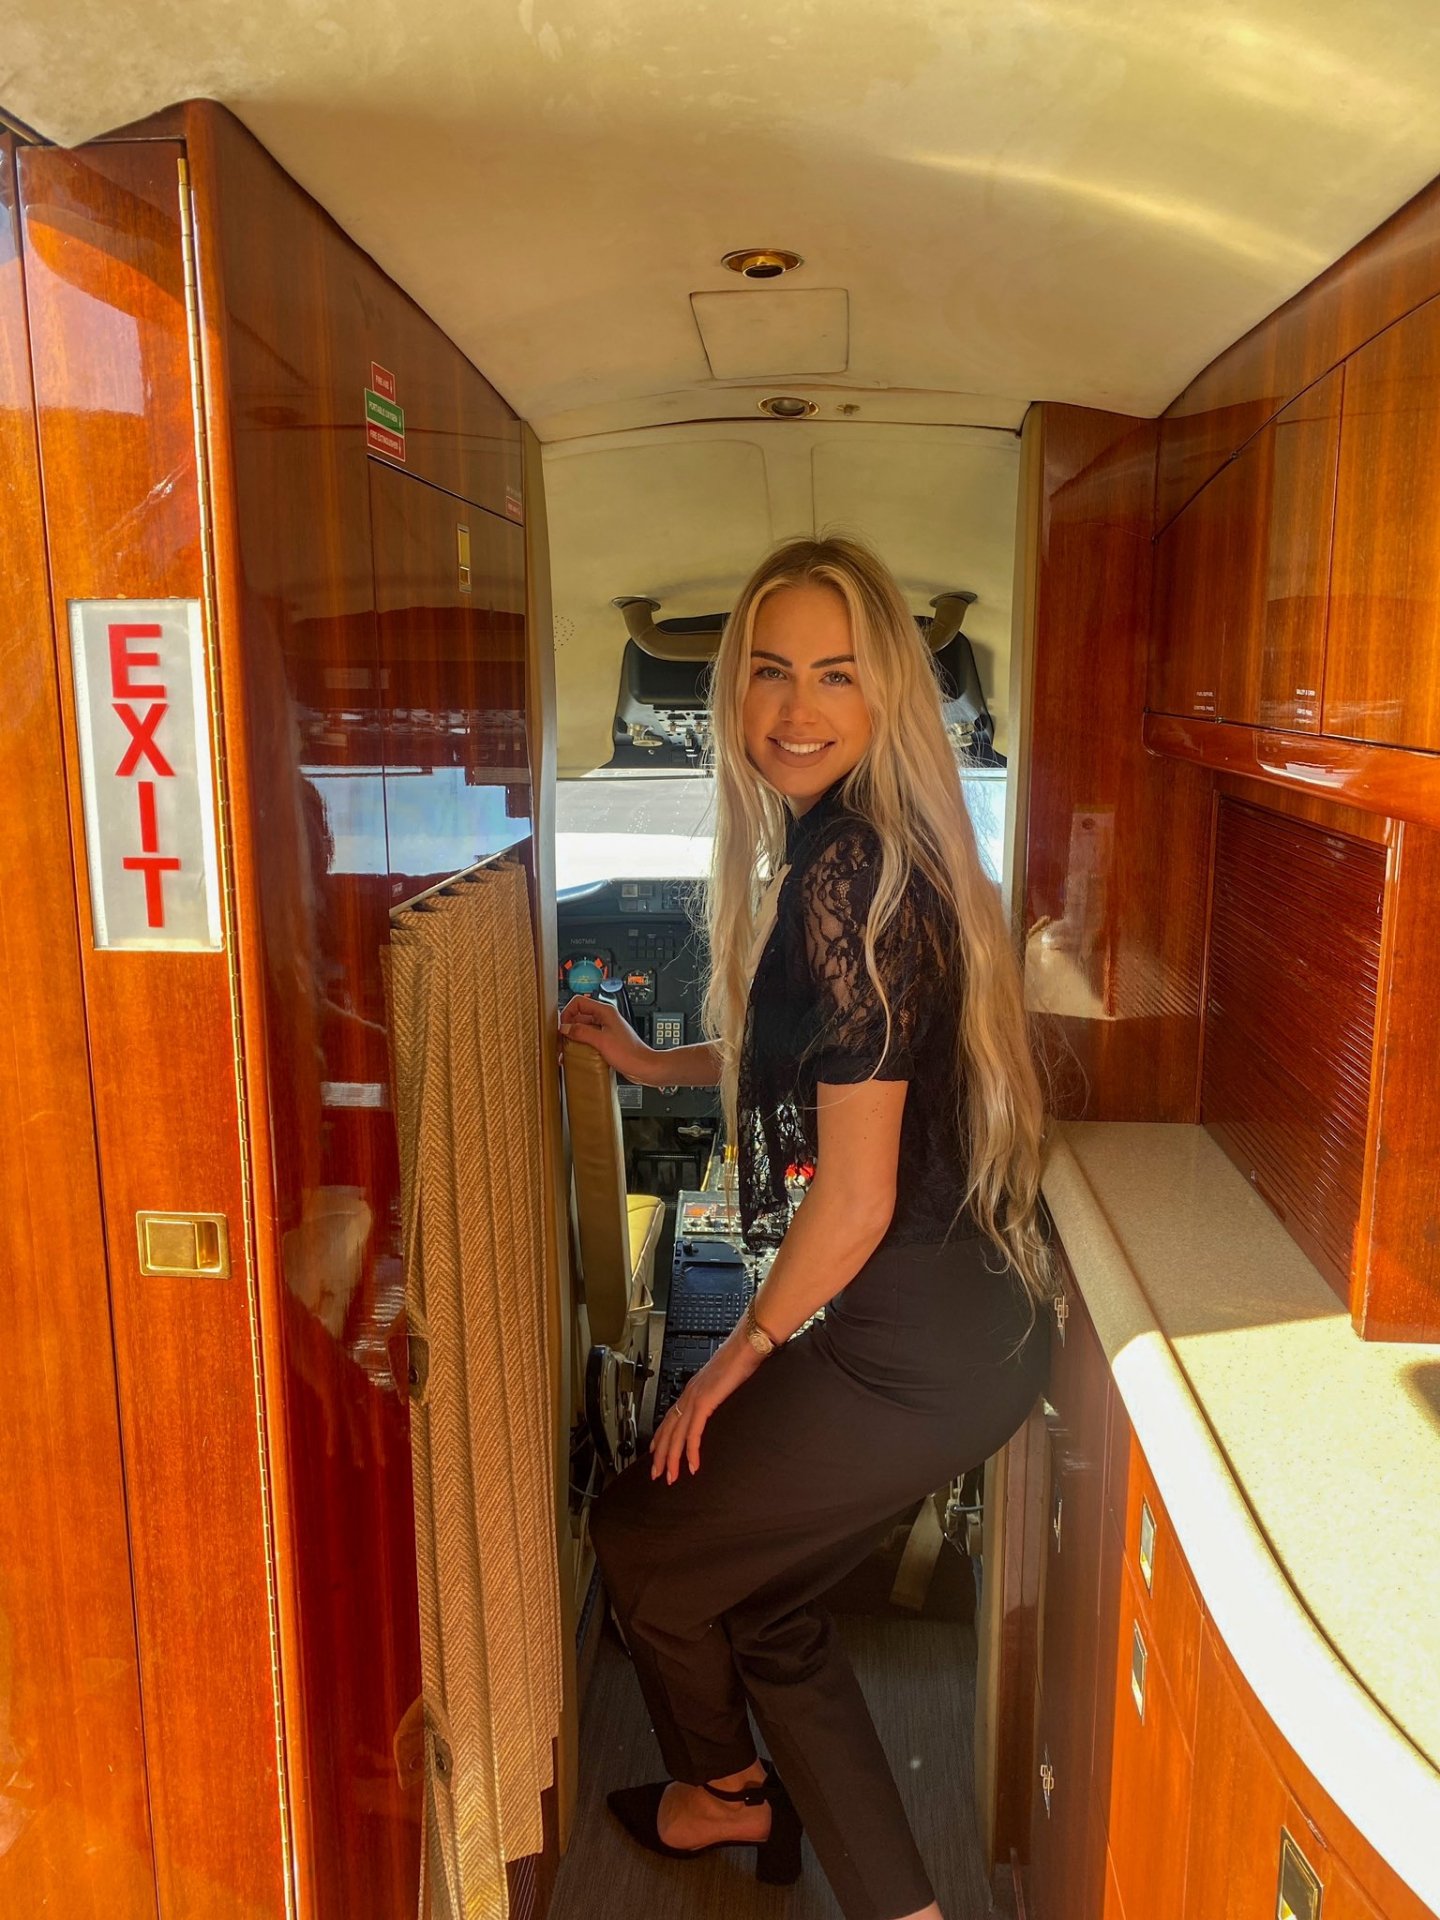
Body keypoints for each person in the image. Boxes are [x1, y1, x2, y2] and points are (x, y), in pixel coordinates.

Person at [558, 534, 1052, 1920]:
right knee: (764, 1605)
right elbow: (826, 1071)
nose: (795, 706)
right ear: (732, 690)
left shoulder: (850, 871)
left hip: (910, 1341)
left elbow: (856, 1193)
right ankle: (863, 1879)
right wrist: (650, 1062)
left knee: (642, 1534)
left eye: (837, 674)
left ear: (889, 692)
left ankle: (722, 1791)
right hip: (963, 1331)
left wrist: (732, 1361)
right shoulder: (870, 851)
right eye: (770, 670)